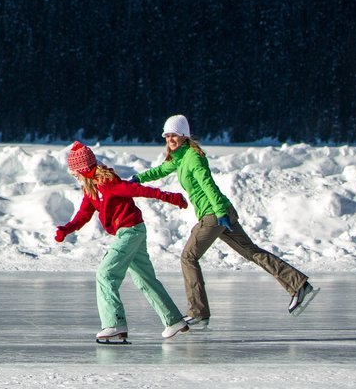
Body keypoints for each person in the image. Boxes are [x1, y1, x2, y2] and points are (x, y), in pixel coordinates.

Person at [134, 114, 319, 327]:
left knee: (188, 257)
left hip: (214, 215)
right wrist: (138, 179)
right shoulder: (179, 157)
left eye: (173, 135)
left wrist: (220, 213)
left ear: (184, 135)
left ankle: (198, 312)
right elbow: (161, 170)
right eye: (167, 136)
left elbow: (208, 184)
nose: (170, 140)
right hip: (220, 213)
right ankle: (299, 285)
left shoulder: (192, 158)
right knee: (252, 252)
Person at [53, 140, 192, 344]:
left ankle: (114, 323)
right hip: (131, 231)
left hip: (130, 231)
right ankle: (174, 321)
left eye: (75, 171)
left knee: (106, 274)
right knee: (144, 279)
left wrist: (170, 197)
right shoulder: (91, 190)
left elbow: (139, 190)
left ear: (83, 169)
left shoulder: (108, 183)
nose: (73, 175)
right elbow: (83, 215)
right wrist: (66, 229)